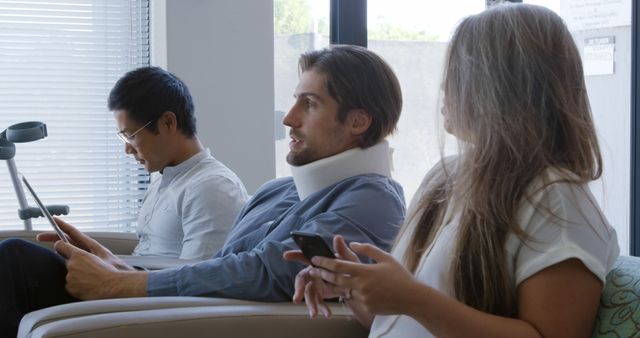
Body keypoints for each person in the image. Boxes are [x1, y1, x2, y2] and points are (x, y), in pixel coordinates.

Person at [0, 45, 406, 336]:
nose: (289, 119)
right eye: (293, 101)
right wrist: (125, 268)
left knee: (15, 259)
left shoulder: (373, 198)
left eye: (310, 104)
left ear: (358, 121)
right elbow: (223, 264)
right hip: (191, 303)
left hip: (209, 319)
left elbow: (269, 270)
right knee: (18, 258)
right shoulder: (278, 192)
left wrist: (122, 284)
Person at [284, 4, 620, 338]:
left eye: (458, 71)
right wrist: (350, 286)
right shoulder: (447, 178)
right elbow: (399, 325)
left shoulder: (557, 200)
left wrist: (413, 299)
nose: (444, 86)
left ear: (499, 86)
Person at [111, 67, 248, 260]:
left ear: (167, 122)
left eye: (131, 136)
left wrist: (111, 279)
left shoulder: (212, 188)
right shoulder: (163, 181)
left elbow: (195, 280)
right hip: (132, 284)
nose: (128, 150)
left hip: (152, 290)